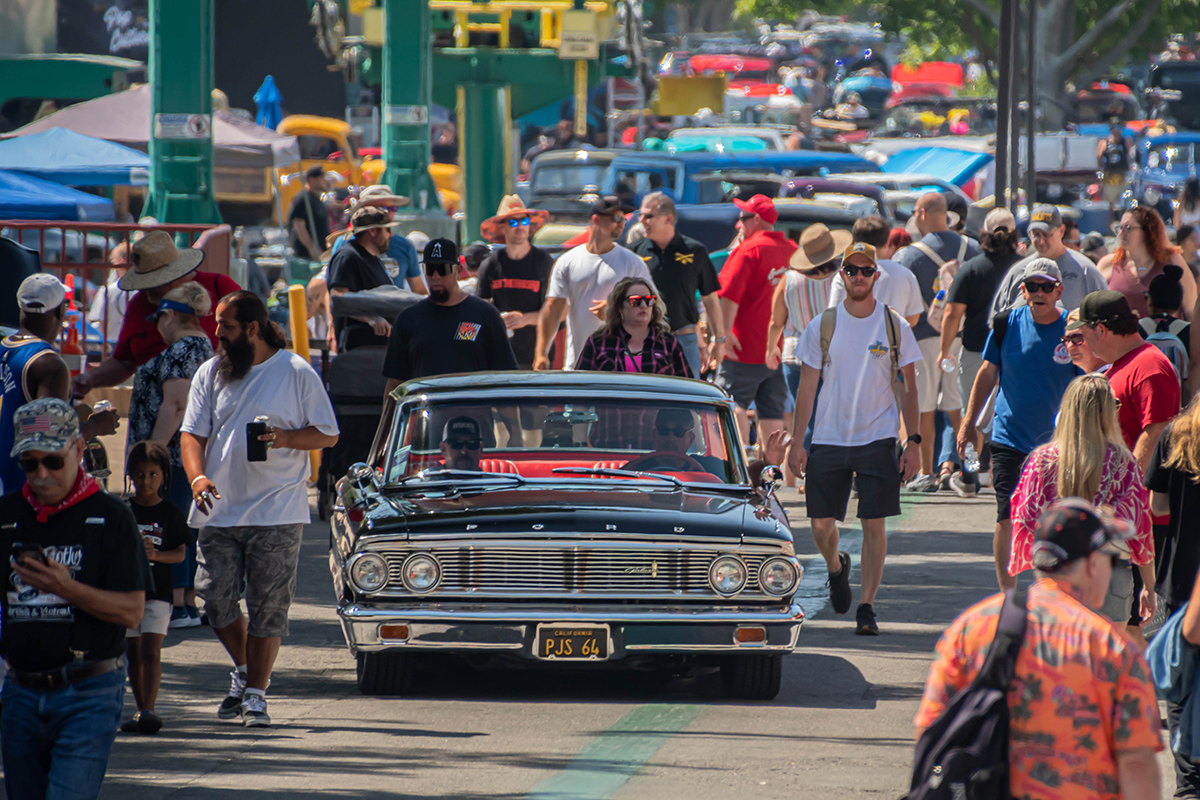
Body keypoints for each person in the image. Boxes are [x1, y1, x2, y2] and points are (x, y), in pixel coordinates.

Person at [914, 498, 1163, 800]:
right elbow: (1136, 762)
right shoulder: (1112, 649)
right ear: (1093, 563)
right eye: (1111, 559)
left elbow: (931, 729)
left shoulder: (970, 627)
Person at [182, 291, 339, 727]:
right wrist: (197, 477)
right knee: (213, 598)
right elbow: (191, 434)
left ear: (252, 329)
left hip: (278, 508)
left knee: (269, 606)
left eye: (226, 326)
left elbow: (327, 435)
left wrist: (285, 439)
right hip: (218, 508)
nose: (217, 333)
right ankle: (247, 670)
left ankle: (255, 695)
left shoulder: (294, 371)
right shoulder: (211, 372)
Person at [0, 397, 150, 800]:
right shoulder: (8, 516)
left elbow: (133, 610)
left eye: (52, 461)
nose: (42, 475)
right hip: (21, 690)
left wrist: (66, 588)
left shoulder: (111, 516)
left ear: (79, 450)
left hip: (88, 690)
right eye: (29, 465)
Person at [788, 242, 922, 635]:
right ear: (841, 275)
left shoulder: (895, 325)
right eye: (852, 270)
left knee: (873, 524)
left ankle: (867, 606)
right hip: (829, 437)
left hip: (878, 437)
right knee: (819, 526)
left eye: (866, 271)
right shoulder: (823, 325)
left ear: (876, 275)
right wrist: (798, 442)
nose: (859, 277)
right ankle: (835, 567)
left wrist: (912, 441)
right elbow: (806, 388)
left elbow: (910, 387)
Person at [959, 260, 1081, 590]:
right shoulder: (1006, 323)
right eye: (1032, 286)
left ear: (1059, 290)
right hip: (1008, 438)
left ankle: (1054, 591)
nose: (1038, 293)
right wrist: (969, 422)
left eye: (1046, 286)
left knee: (1055, 521)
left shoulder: (1072, 330)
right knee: (1007, 516)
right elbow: (987, 374)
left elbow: (1086, 381)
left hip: (1057, 445)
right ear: (1022, 290)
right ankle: (1008, 597)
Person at [1009, 375, 1155, 629]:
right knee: (1106, 662)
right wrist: (1149, 586)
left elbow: (1024, 518)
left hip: (1057, 571)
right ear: (1107, 412)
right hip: (1110, 572)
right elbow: (1140, 526)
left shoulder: (1041, 460)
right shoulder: (1123, 461)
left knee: (1059, 660)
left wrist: (1028, 562)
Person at [125, 281, 214, 628]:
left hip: (172, 458)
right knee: (184, 529)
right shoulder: (204, 347)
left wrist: (152, 454)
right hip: (187, 456)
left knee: (167, 528)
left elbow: (176, 404)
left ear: (171, 317)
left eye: (159, 318)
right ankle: (186, 602)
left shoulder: (180, 351)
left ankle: (176, 603)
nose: (157, 326)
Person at [71, 231, 239, 399]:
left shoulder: (221, 288)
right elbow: (124, 361)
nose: (146, 289)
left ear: (175, 274)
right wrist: (89, 379)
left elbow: (251, 340)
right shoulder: (139, 303)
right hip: (151, 408)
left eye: (152, 282)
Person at [1, 274, 121, 495]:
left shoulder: (5, 347)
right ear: (60, 311)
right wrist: (97, 426)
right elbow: (50, 440)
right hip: (24, 490)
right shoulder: (48, 364)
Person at [937, 208, 1023, 497]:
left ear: (983, 234)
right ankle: (1009, 475)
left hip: (977, 351)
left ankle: (971, 474)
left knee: (970, 416)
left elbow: (952, 313)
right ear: (1015, 235)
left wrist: (944, 349)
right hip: (1017, 352)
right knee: (1011, 415)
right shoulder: (1025, 267)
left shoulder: (972, 268)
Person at [898, 192, 980, 492]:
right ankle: (969, 468)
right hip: (963, 337)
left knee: (925, 409)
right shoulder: (971, 248)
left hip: (925, 338)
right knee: (960, 410)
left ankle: (927, 473)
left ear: (922, 213)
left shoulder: (912, 254)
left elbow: (908, 305)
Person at [766, 223, 851, 486]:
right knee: (832, 416)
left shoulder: (788, 280)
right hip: (835, 354)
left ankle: (807, 474)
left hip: (796, 355)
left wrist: (771, 348)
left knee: (805, 417)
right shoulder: (843, 278)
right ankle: (826, 473)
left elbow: (776, 321)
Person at [1147, 395, 1200, 798]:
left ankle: (1188, 783)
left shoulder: (1175, 434)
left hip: (1180, 579)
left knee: (1181, 684)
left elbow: (1156, 503)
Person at [383, 238, 518, 394]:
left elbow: (506, 377)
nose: (436, 276)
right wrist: (386, 418)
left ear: (458, 271)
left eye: (443, 269)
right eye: (430, 269)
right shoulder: (408, 319)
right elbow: (395, 383)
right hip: (426, 414)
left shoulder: (485, 315)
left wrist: (512, 418)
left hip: (473, 414)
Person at [717, 194, 798, 447]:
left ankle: (738, 465)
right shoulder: (794, 251)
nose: (738, 224)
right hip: (780, 347)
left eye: (742, 218)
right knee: (772, 410)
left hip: (744, 347)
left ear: (757, 219)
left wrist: (724, 334)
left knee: (732, 403)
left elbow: (729, 296)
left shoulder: (749, 250)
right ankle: (771, 472)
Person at [534, 197, 651, 371]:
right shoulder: (567, 261)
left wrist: (616, 310)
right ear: (596, 220)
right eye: (616, 219)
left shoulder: (633, 263)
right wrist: (541, 354)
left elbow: (651, 305)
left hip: (622, 368)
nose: (621, 224)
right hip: (578, 365)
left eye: (623, 219)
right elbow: (553, 308)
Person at [120, 440, 188, 735]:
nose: (145, 481)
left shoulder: (170, 512)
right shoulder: (121, 511)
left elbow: (181, 553)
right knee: (132, 652)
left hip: (158, 592)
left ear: (164, 476)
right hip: (125, 594)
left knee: (151, 650)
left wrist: (156, 555)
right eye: (139, 474)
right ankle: (139, 709)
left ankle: (149, 708)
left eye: (153, 474)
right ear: (130, 475)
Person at [630, 192, 724, 377]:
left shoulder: (694, 250)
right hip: (645, 340)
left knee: (688, 401)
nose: (641, 220)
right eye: (640, 215)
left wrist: (718, 340)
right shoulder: (634, 252)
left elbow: (710, 298)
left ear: (668, 219)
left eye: (648, 216)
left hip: (685, 340)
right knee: (646, 402)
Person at [477, 196, 556, 369]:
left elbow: (558, 312)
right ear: (502, 227)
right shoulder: (490, 265)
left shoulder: (545, 262)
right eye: (513, 222)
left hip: (537, 359)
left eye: (524, 220)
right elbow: (479, 311)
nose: (519, 226)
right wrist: (497, 320)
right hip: (500, 358)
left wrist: (524, 319)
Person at [989, 204, 1106, 316]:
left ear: (1061, 231)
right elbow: (997, 319)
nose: (1041, 241)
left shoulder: (1084, 269)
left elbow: (1104, 313)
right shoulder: (1018, 271)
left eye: (1046, 234)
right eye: (1035, 234)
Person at [574, 277, 691, 376]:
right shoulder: (598, 342)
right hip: (610, 403)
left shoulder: (668, 343)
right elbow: (580, 386)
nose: (644, 306)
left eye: (649, 300)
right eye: (636, 301)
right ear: (620, 307)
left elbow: (688, 389)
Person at [327, 206, 403, 351]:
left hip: (380, 352)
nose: (391, 235)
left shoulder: (375, 260)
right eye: (387, 230)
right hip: (358, 355)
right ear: (373, 231)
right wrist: (371, 318)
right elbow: (338, 299)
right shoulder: (347, 257)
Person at [1099, 206, 1197, 318]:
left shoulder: (1172, 261)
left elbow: (1191, 309)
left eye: (1128, 228)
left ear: (1148, 231)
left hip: (1164, 334)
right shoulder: (1109, 264)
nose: (1121, 233)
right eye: (1119, 228)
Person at [328, 185, 426, 295]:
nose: (388, 213)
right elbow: (337, 298)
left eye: (392, 208)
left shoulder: (397, 249)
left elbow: (419, 291)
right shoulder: (345, 253)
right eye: (382, 209)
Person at [827, 215, 924, 327]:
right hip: (892, 342)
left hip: (854, 341)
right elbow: (913, 318)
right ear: (887, 243)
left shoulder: (846, 275)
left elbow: (834, 316)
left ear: (855, 243)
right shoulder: (905, 275)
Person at [287, 164, 331, 263]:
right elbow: (298, 224)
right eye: (322, 177)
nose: (325, 180)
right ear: (312, 179)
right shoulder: (303, 199)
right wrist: (311, 247)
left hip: (319, 254)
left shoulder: (317, 200)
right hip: (305, 256)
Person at [88, 242, 130, 343]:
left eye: (113, 261)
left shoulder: (107, 291)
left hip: (114, 349)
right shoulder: (148, 290)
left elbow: (98, 325)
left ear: (121, 262)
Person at [1097, 119, 1132, 226]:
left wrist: (1131, 171)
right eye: (1115, 129)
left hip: (1122, 177)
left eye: (1119, 129)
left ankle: (1126, 223)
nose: (1117, 131)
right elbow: (1099, 157)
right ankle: (1108, 225)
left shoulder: (1125, 141)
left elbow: (1131, 156)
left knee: (1126, 203)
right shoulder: (1105, 142)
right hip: (1110, 178)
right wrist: (1099, 173)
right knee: (1109, 204)